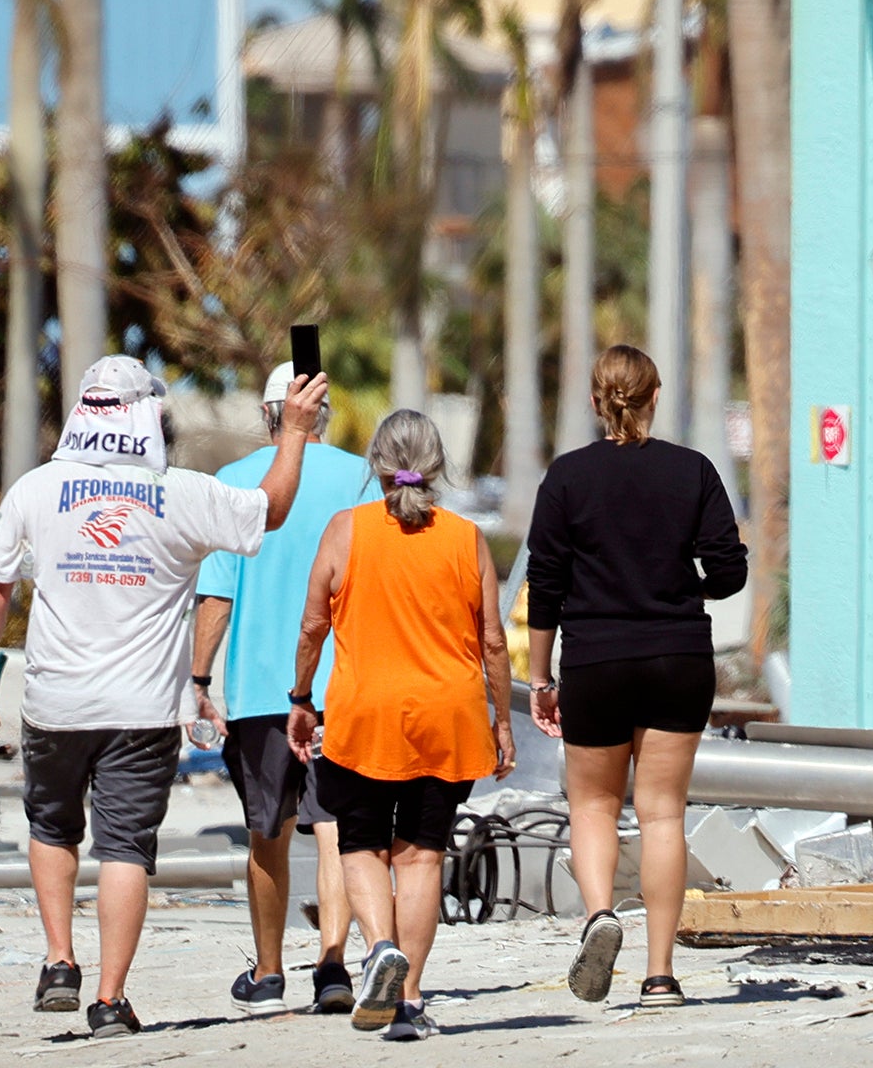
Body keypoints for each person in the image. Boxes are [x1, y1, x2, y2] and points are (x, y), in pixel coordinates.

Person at [0, 353, 329, 1035]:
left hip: (55, 702)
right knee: (125, 848)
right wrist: (296, 430)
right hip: (143, 710)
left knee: (52, 827)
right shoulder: (184, 492)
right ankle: (108, 998)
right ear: (148, 416)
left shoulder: (35, 490)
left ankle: (59, 959)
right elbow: (271, 511)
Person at [525, 344, 747, 1011]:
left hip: (594, 658)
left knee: (592, 806)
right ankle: (660, 977)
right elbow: (729, 573)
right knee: (662, 814)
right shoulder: (694, 471)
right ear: (654, 397)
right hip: (678, 656)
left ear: (596, 401)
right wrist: (681, 586)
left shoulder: (566, 478)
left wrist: (539, 679)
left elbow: (545, 586)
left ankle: (599, 917)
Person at [287, 410, 514, 1042]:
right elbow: (493, 642)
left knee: (360, 844)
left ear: (377, 464)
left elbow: (313, 627)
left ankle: (381, 948)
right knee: (421, 856)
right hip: (449, 715)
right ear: (437, 465)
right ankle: (409, 998)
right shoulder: (467, 538)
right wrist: (502, 724)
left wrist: (301, 697)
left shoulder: (346, 530)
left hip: (365, 715)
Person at [192, 362, 374, 1016]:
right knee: (338, 829)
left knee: (266, 831)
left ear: (271, 415)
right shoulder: (362, 476)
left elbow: (215, 594)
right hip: (345, 684)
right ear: (317, 412)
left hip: (262, 690)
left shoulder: (234, 484)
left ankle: (269, 972)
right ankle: (333, 965)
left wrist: (199, 679)